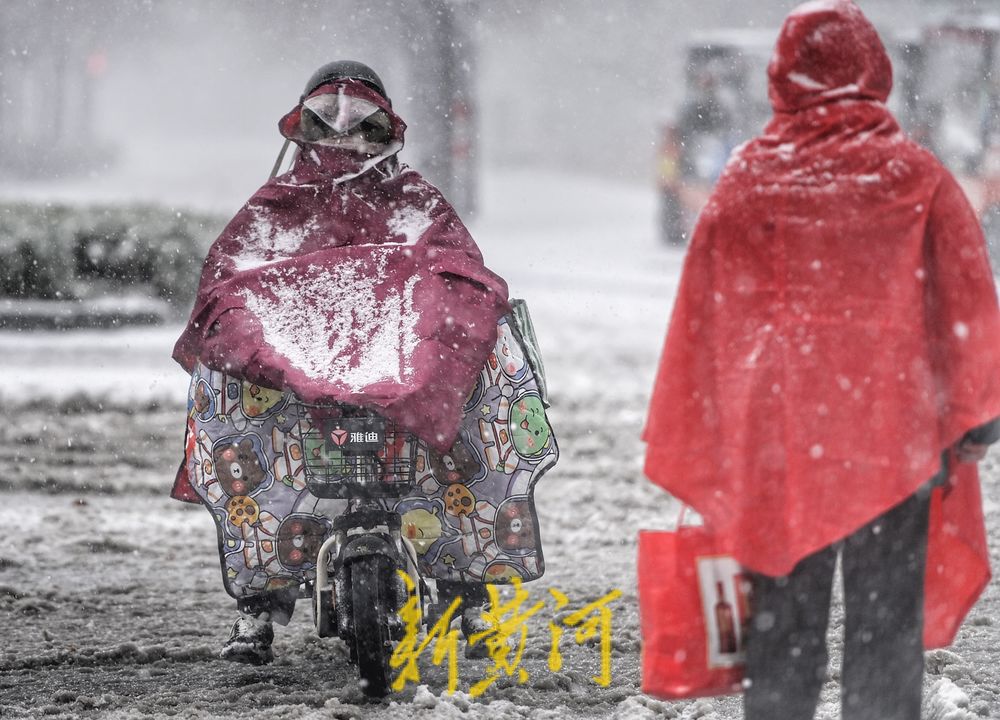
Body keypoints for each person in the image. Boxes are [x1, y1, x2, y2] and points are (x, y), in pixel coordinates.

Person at [642, 2, 1000, 719]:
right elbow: (967, 302)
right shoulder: (914, 175)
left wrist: (704, 424)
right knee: (884, 622)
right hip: (893, 441)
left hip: (779, 444)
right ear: (875, 74)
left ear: (783, 75)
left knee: (782, 622)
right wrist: (975, 416)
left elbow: (705, 317)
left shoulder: (749, 177)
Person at [171, 61, 557, 665]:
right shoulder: (279, 205)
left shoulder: (413, 202)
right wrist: (258, 342)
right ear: (304, 127)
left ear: (385, 129)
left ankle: (467, 593)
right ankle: (258, 604)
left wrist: (447, 332)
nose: (343, 140)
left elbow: (463, 278)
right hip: (294, 387)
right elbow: (230, 285)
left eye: (360, 126)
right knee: (244, 425)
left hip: (407, 375)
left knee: (478, 409)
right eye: (327, 124)